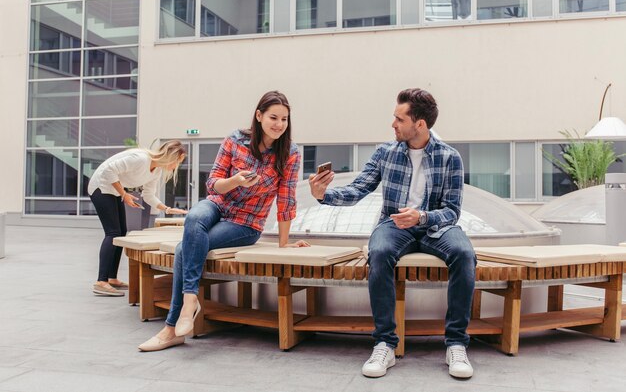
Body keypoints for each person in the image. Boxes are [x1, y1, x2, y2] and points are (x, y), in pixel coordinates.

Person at [309, 88, 476, 379]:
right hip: (394, 225)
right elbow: (359, 189)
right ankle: (385, 342)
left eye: (399, 119)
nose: (393, 124)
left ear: (419, 124)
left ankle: (456, 343)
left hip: (436, 226)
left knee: (464, 254)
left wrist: (422, 216)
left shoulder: (450, 157)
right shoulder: (385, 152)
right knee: (381, 251)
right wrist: (324, 195)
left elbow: (452, 210)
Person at [139, 90, 310, 352]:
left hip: (246, 223)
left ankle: (171, 328)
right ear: (259, 115)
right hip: (219, 204)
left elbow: (286, 198)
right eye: (274, 117)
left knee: (185, 248)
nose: (279, 124)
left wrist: (284, 244)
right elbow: (213, 185)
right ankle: (189, 301)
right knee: (194, 218)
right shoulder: (236, 140)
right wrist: (236, 181)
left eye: (285, 119)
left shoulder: (290, 153)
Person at [88, 141, 188, 297]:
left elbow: (148, 195)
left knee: (121, 233)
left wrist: (167, 209)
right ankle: (101, 281)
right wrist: (124, 194)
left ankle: (112, 278)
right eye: (177, 162)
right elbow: (109, 171)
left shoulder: (156, 171)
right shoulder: (141, 159)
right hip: (100, 187)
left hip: (114, 191)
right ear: (171, 157)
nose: (176, 167)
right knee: (113, 232)